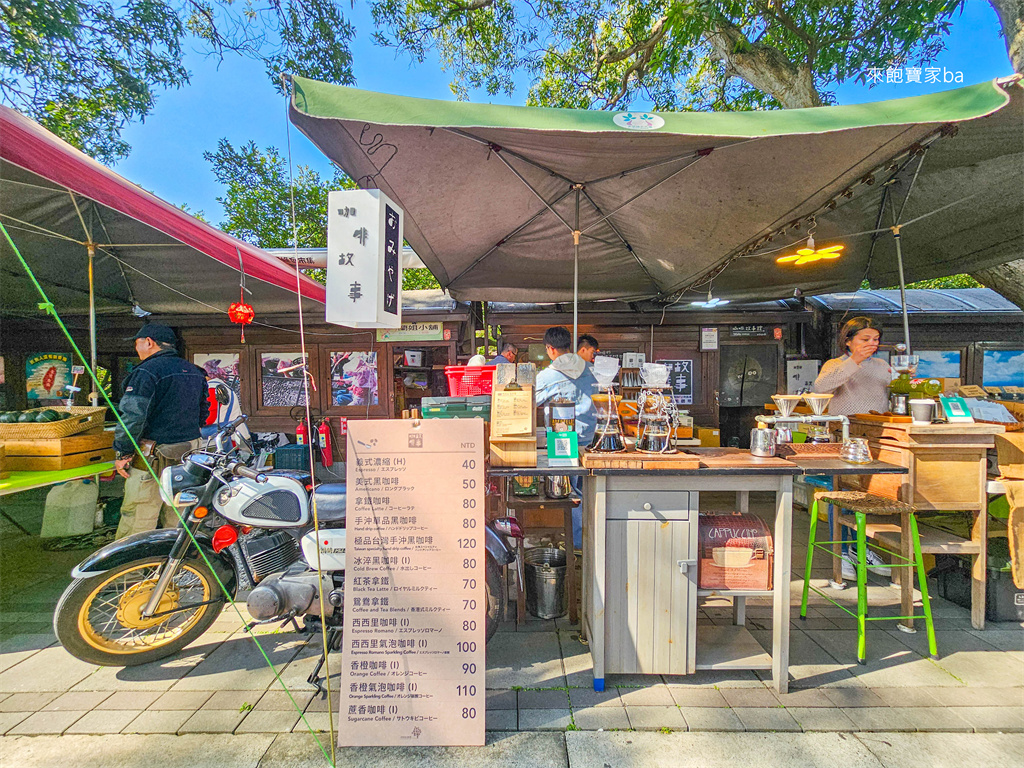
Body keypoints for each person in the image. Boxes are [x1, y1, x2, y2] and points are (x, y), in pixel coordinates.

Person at [812, 316, 893, 580]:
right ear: (848, 340)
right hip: (845, 437)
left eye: (875, 339)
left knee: (867, 497)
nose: (872, 344)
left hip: (876, 437)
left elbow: (890, 395)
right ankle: (842, 552)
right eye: (865, 339)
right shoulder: (836, 365)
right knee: (842, 495)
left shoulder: (882, 366)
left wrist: (907, 380)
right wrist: (854, 361)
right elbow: (820, 388)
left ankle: (862, 550)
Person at [113, 324, 208, 539]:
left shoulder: (145, 372)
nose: (136, 349)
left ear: (149, 342)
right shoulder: (194, 371)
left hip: (152, 456)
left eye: (137, 343)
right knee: (179, 516)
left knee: (140, 517)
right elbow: (203, 413)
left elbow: (133, 416)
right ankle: (175, 569)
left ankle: (131, 572)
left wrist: (123, 452)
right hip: (188, 454)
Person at [535, 327, 598, 550]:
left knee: (568, 493)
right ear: (569, 346)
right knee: (590, 490)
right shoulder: (591, 370)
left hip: (562, 442)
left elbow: (529, 403)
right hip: (592, 439)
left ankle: (576, 544)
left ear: (550, 349)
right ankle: (589, 540)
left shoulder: (547, 376)